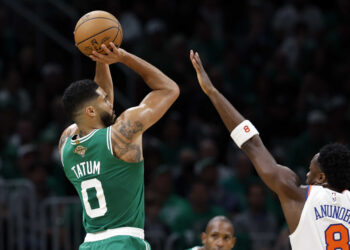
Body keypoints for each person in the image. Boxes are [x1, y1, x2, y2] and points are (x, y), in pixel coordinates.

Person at [190, 50, 350, 249]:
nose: (306, 175)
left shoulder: (299, 195)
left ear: (321, 178)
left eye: (311, 171)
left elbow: (252, 144)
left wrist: (212, 92)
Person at [59, 43, 179, 249]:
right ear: (90, 111)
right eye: (105, 100)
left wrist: (101, 59)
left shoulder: (66, 144)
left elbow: (99, 102)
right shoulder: (121, 135)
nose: (110, 102)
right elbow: (169, 89)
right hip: (125, 243)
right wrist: (123, 57)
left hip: (89, 244)